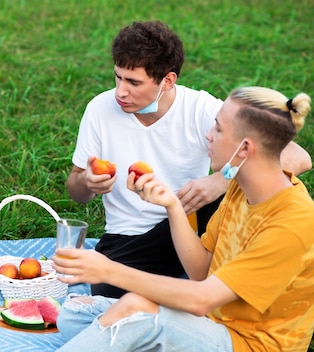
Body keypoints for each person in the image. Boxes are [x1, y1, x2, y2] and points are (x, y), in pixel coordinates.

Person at [53, 86, 314, 351]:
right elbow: (201, 272)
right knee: (76, 312)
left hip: (248, 344)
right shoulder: (240, 188)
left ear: (244, 148)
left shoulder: (293, 223)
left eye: (218, 129)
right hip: (211, 322)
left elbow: (201, 298)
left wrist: (108, 270)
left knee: (135, 310)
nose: (209, 136)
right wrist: (172, 206)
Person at [65, 21, 312, 298]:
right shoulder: (100, 109)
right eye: (118, 77)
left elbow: (297, 157)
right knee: (106, 293)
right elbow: (76, 192)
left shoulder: (200, 108)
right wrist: (87, 182)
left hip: (194, 223)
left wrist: (221, 180)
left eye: (134, 82)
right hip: (130, 236)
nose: (121, 91)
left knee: (244, 187)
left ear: (168, 81)